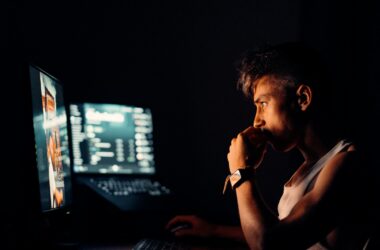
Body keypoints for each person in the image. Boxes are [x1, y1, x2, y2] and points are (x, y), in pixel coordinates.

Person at [167, 42, 374, 249]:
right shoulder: (310, 168)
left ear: (302, 99)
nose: (256, 121)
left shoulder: (348, 164)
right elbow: (287, 233)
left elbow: (268, 243)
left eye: (263, 104)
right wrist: (213, 230)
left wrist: (241, 173)